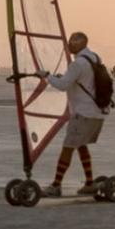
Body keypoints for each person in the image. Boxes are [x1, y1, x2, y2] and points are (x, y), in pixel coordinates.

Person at [36, 32, 106, 198]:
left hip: (83, 113)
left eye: (73, 42)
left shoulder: (78, 64)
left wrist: (47, 76)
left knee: (67, 148)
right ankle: (89, 183)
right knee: (81, 145)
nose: (69, 44)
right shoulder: (94, 58)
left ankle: (56, 185)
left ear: (81, 43)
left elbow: (62, 85)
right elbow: (83, 81)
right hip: (97, 112)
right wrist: (65, 78)